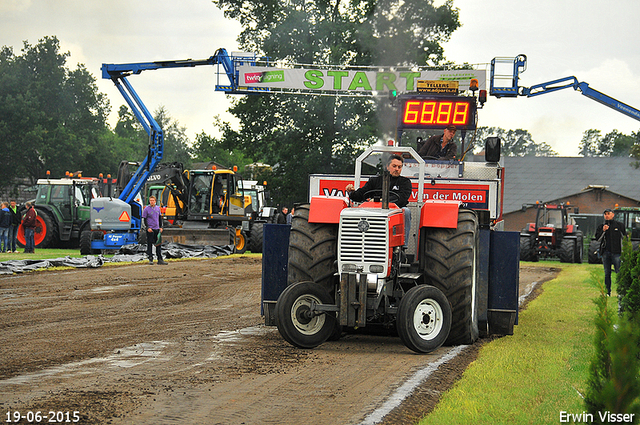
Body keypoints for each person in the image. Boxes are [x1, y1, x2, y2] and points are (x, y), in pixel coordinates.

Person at [345, 154, 413, 247]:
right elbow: (361, 195)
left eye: (399, 167)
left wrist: (380, 201)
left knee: (407, 211)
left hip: (395, 211)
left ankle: (403, 244)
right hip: (374, 211)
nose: (397, 169)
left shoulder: (405, 182)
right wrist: (352, 192)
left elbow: (402, 199)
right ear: (387, 166)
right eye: (394, 166)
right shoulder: (375, 181)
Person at [595, 208, 626, 296]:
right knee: (607, 273)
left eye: (608, 213)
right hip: (606, 253)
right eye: (605, 214)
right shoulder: (601, 226)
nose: (607, 215)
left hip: (617, 253)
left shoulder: (619, 225)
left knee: (618, 273)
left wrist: (624, 251)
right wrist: (603, 231)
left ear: (613, 215)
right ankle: (607, 292)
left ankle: (620, 292)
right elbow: (597, 238)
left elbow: (624, 238)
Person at [142, 196, 167, 265]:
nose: (152, 202)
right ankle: (150, 258)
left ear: (155, 201)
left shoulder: (157, 208)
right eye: (150, 200)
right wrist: (147, 228)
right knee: (150, 244)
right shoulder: (146, 209)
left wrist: (161, 227)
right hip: (150, 229)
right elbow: (144, 219)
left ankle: (160, 259)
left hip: (157, 228)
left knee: (158, 244)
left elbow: (159, 218)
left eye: (153, 200)